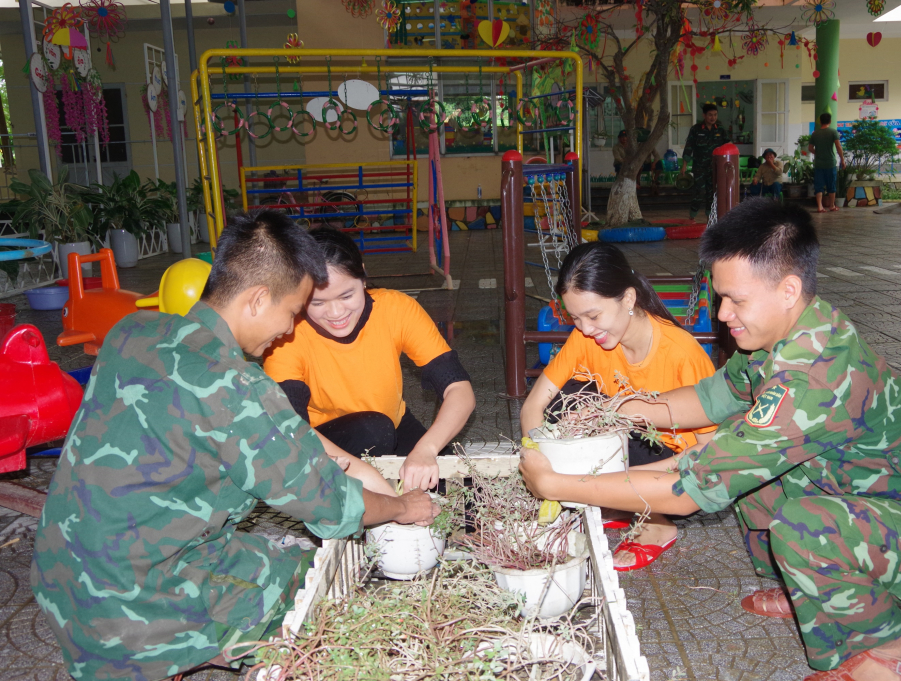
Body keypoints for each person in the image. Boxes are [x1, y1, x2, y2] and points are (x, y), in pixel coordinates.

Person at [520, 199, 901, 681]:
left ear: (788, 289)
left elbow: (686, 492)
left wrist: (557, 484)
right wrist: (624, 408)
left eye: (736, 300)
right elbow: (709, 398)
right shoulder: (789, 334)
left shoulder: (812, 380)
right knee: (748, 465)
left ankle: (894, 657)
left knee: (803, 527)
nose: (723, 312)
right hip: (876, 501)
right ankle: (802, 589)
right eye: (720, 296)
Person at [31, 210, 440, 681]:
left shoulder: (132, 333)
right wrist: (403, 508)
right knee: (307, 580)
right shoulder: (237, 387)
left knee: (256, 550)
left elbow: (286, 443)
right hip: (128, 609)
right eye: (291, 313)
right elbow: (330, 505)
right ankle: (211, 653)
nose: (288, 330)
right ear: (257, 299)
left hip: (61, 574)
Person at [519, 242, 716, 571]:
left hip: (680, 468)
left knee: (599, 421)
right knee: (561, 406)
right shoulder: (586, 337)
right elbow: (533, 407)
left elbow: (709, 457)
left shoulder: (682, 353)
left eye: (593, 316)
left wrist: (594, 484)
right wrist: (535, 451)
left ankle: (657, 523)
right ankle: (622, 501)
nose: (584, 328)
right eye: (576, 318)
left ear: (628, 298)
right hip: (629, 447)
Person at [264, 227, 475, 492]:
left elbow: (459, 390)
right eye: (317, 303)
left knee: (465, 492)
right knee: (374, 431)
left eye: (346, 295)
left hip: (392, 424)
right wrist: (389, 499)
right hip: (318, 440)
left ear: (363, 277)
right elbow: (288, 426)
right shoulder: (286, 335)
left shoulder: (397, 309)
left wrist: (427, 450)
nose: (336, 312)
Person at [680, 103, 730, 220]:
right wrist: (684, 165)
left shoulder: (720, 129)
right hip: (699, 167)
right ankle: (692, 216)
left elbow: (728, 145)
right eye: (710, 115)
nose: (713, 118)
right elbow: (689, 147)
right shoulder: (696, 129)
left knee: (711, 193)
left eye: (715, 115)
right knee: (699, 191)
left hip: (715, 167)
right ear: (704, 115)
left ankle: (709, 217)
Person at [808, 113, 846, 213]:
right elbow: (838, 146)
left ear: (820, 121)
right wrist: (842, 159)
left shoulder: (815, 133)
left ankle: (820, 206)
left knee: (819, 185)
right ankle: (832, 205)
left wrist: (818, 153)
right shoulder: (833, 132)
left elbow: (810, 148)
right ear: (830, 121)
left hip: (819, 163)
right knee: (831, 185)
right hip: (830, 163)